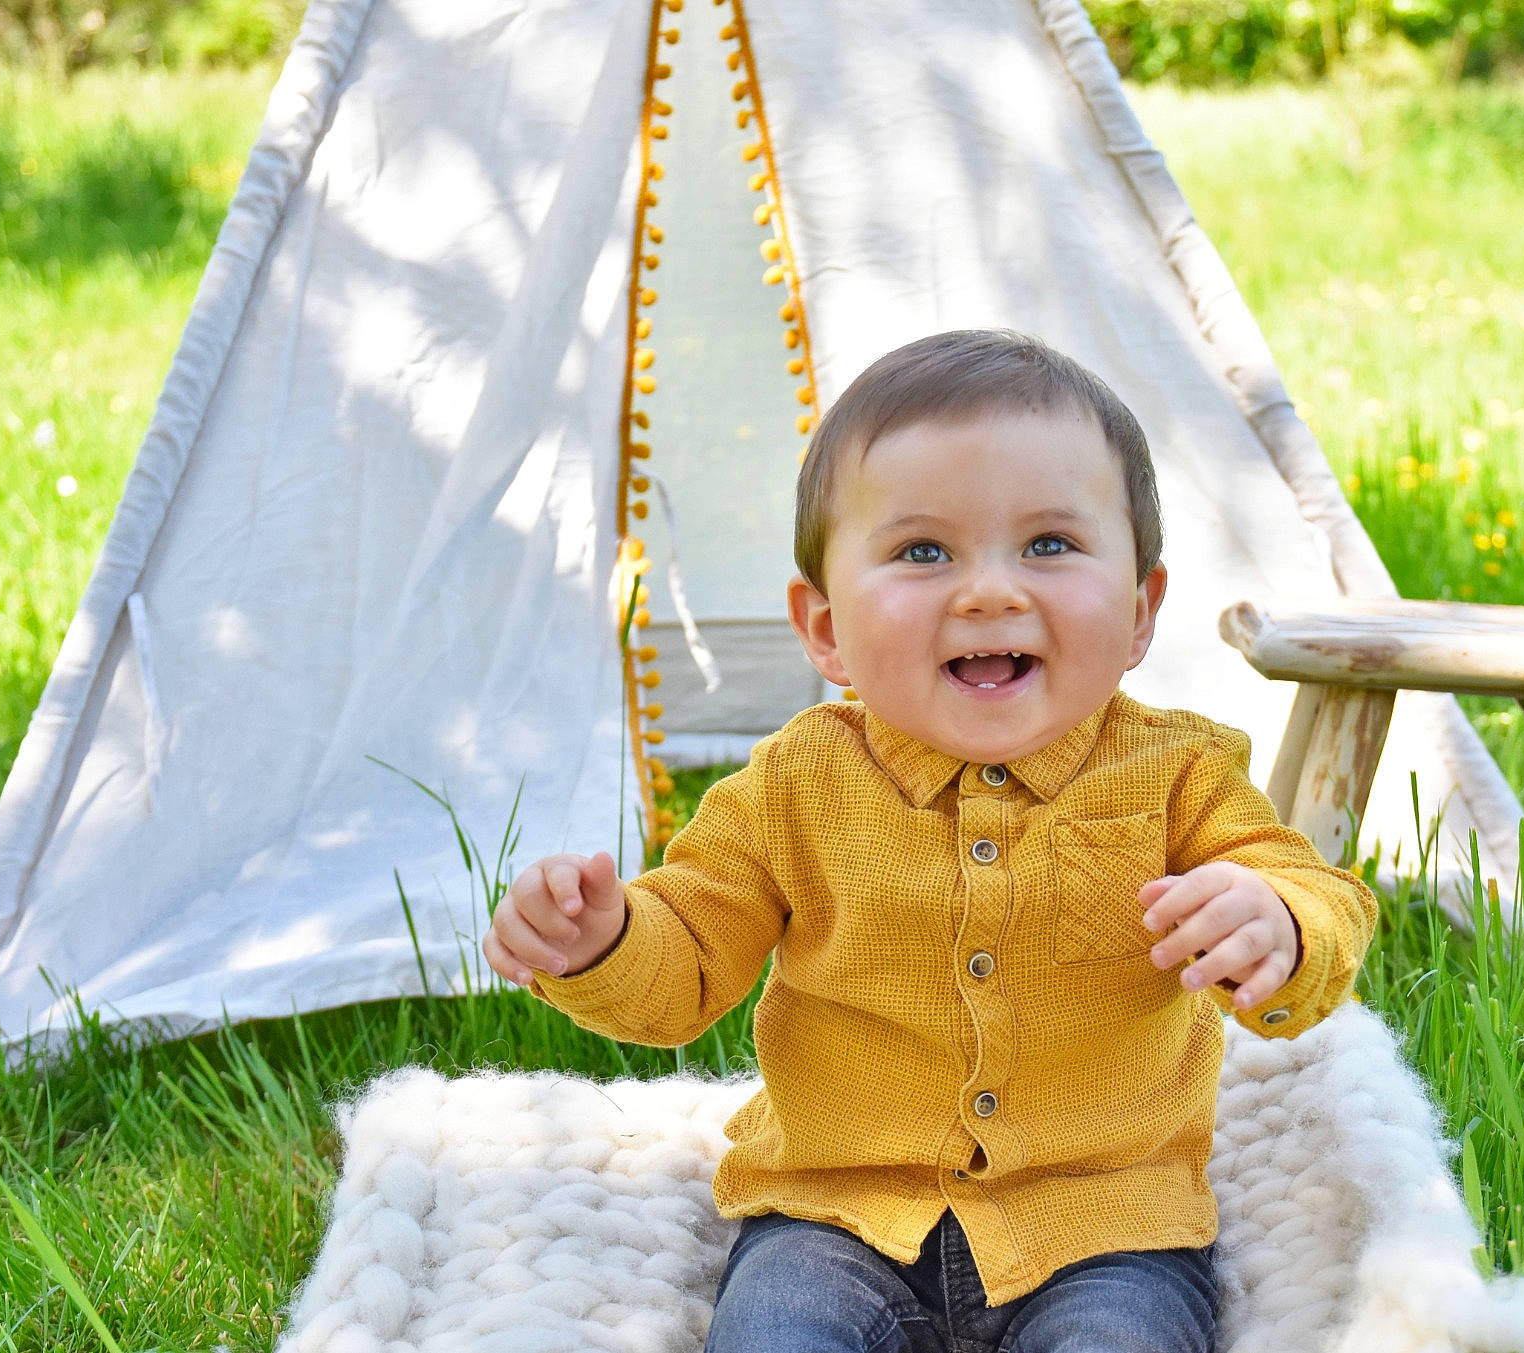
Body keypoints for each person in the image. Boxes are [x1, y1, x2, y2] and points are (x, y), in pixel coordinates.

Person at [481, 329, 1379, 1352]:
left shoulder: (1178, 773)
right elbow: (685, 960)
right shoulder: (795, 785)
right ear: (824, 628)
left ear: (1139, 612)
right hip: (833, 1217)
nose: (990, 591)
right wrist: (601, 942)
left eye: (1049, 545)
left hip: (1105, 1225)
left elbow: (1316, 891)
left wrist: (1279, 921)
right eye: (922, 552)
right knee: (774, 1337)